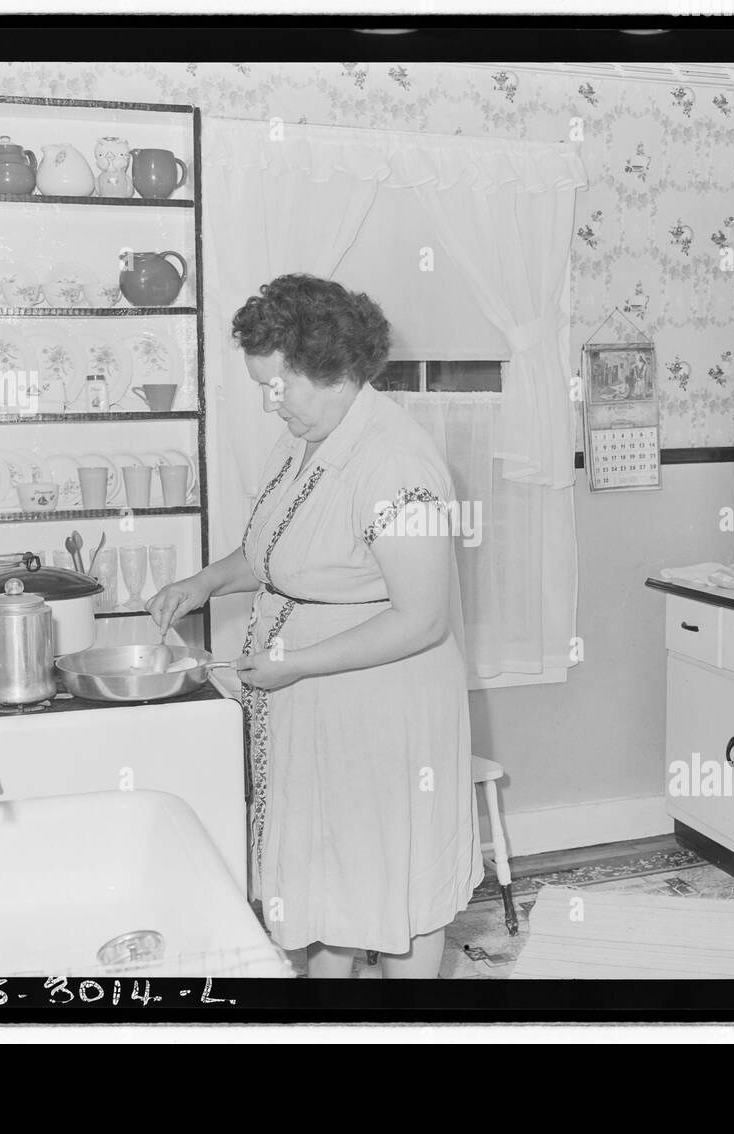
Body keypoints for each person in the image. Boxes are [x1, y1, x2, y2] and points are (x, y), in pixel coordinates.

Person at [148, 274, 483, 978]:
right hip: (315, 698)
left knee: (393, 883)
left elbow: (420, 620)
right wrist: (205, 580)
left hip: (384, 703)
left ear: (331, 372)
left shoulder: (395, 462)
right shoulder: (307, 439)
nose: (271, 405)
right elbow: (279, 550)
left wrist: (296, 663)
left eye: (279, 386)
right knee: (327, 878)